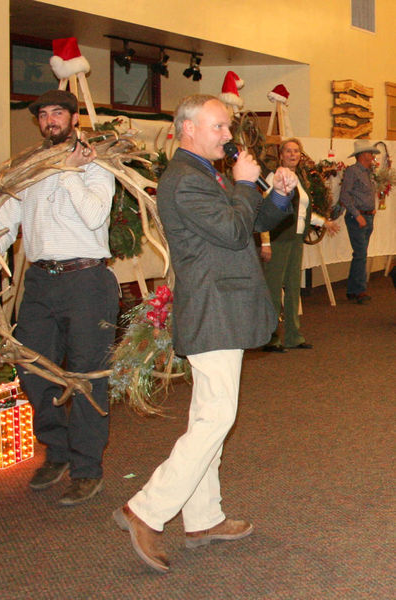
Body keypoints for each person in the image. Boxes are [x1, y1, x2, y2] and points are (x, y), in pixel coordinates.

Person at [113, 94, 297, 573]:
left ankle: (202, 518)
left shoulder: (203, 174)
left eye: (227, 127)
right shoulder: (183, 181)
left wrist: (276, 194)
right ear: (187, 129)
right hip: (212, 308)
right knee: (216, 418)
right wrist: (242, 186)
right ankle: (146, 509)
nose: (228, 136)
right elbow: (236, 232)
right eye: (219, 127)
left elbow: (252, 221)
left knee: (208, 415)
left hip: (222, 306)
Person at [0, 90, 119, 505]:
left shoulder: (97, 163)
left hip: (87, 282)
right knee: (33, 369)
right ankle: (58, 449)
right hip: (41, 283)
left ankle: (87, 469)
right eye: (44, 115)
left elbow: (95, 215)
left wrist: (69, 171)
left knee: (85, 377)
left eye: (57, 113)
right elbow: (7, 221)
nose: (50, 120)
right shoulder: (28, 170)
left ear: (73, 116)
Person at [260, 138, 340, 352]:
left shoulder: (299, 180)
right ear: (281, 155)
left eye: (296, 151)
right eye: (288, 151)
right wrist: (265, 242)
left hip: (295, 239)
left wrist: (325, 222)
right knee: (274, 288)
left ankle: (293, 336)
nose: (292, 155)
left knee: (294, 287)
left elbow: (302, 213)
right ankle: (270, 337)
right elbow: (264, 211)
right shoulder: (274, 177)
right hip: (278, 239)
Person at [339, 140, 380, 304]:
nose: (372, 156)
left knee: (360, 255)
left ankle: (352, 289)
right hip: (357, 218)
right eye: (370, 153)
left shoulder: (367, 172)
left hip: (368, 216)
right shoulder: (353, 171)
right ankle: (360, 291)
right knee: (361, 254)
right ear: (363, 155)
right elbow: (345, 196)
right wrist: (357, 215)